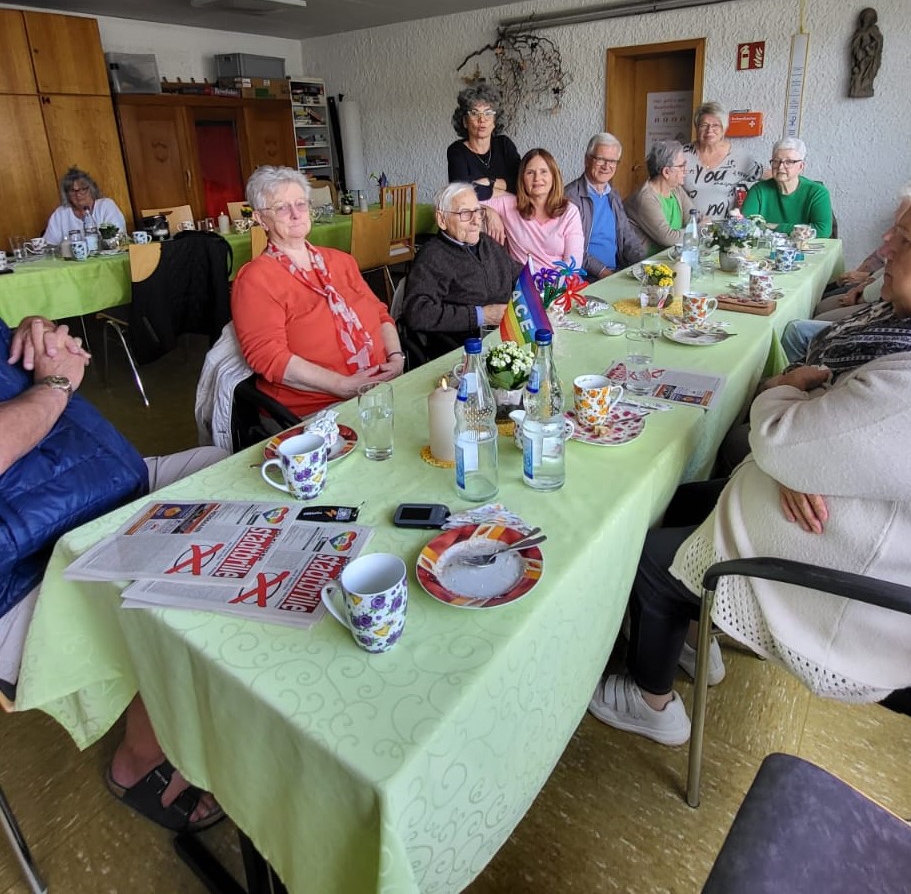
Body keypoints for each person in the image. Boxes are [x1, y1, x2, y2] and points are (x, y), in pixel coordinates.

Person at [589, 163, 911, 746]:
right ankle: (698, 637)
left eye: (908, 241)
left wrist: (787, 391)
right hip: (898, 533)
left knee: (649, 556)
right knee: (680, 497)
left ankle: (653, 702)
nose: (887, 249)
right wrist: (804, 441)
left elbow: (775, 433)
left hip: (872, 592)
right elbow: (826, 438)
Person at [0, 313, 228, 831]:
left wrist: (37, 333)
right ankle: (138, 759)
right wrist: (56, 383)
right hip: (24, 566)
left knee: (235, 470)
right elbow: (49, 387)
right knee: (173, 582)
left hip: (96, 484)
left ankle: (211, 697)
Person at [231, 166, 403, 418]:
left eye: (301, 204)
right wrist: (342, 386)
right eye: (281, 207)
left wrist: (396, 358)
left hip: (381, 387)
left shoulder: (341, 261)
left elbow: (380, 315)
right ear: (259, 219)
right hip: (318, 408)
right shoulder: (255, 279)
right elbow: (269, 357)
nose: (295, 214)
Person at [400, 183, 521, 363]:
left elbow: (517, 274)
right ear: (442, 220)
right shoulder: (433, 256)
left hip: (507, 340)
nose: (476, 220)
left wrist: (542, 286)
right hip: (464, 352)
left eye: (478, 211)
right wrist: (481, 315)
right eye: (465, 213)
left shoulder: (487, 244)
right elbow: (417, 312)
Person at [485, 148, 583, 272]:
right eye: (530, 172)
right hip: (522, 287)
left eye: (544, 172)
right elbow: (463, 197)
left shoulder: (570, 212)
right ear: (522, 179)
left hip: (560, 286)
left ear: (554, 176)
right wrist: (488, 211)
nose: (537, 178)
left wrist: (550, 289)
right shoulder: (509, 204)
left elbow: (573, 263)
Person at [564, 133, 647, 279]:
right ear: (587, 160)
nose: (607, 166)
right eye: (601, 159)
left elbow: (627, 236)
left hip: (616, 271)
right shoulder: (571, 197)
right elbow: (572, 250)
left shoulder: (612, 195)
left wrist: (644, 264)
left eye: (612, 161)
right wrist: (604, 272)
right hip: (586, 277)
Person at [682, 103, 765, 221]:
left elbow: (771, 175)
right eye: (704, 125)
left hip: (723, 233)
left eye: (715, 125)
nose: (709, 130)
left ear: (724, 129)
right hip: (687, 230)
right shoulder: (682, 155)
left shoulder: (739, 157)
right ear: (696, 128)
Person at [741, 138, 833, 237]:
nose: (780, 167)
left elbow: (822, 230)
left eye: (788, 162)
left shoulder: (818, 192)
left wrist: (778, 227)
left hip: (805, 250)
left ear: (801, 166)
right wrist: (795, 230)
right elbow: (744, 226)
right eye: (776, 161)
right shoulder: (758, 190)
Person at [446, 85, 520, 201]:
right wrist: (504, 189)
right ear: (465, 121)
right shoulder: (456, 151)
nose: (482, 119)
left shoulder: (504, 144)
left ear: (495, 121)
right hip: (474, 215)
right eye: (474, 113)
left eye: (488, 113)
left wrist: (489, 182)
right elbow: (462, 192)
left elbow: (521, 183)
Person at [624, 140, 693, 254]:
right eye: (681, 166)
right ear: (666, 172)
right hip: (646, 264)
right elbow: (669, 238)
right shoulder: (645, 198)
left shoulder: (676, 189)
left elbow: (694, 218)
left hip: (672, 257)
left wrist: (696, 227)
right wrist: (697, 231)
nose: (686, 170)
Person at [42, 166, 126, 244]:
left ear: (91, 189)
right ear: (66, 194)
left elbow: (117, 237)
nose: (78, 194)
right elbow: (48, 245)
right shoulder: (60, 214)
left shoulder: (106, 205)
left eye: (83, 189)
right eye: (72, 191)